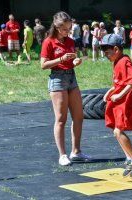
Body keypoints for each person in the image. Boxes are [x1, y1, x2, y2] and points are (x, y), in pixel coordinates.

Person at [40, 11, 90, 166]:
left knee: (79, 117)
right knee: (61, 119)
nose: (68, 32)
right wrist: (60, 59)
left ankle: (76, 151)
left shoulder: (69, 41)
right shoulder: (48, 42)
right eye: (65, 29)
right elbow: (43, 65)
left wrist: (76, 61)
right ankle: (62, 155)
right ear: (57, 26)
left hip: (71, 78)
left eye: (69, 28)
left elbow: (72, 58)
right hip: (57, 79)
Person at [100, 33, 132, 178]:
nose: (106, 56)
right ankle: (129, 157)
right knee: (116, 131)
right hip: (120, 102)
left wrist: (120, 95)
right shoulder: (117, 61)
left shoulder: (125, 61)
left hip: (128, 102)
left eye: (107, 53)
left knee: (118, 131)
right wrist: (110, 91)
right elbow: (119, 82)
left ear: (116, 49)